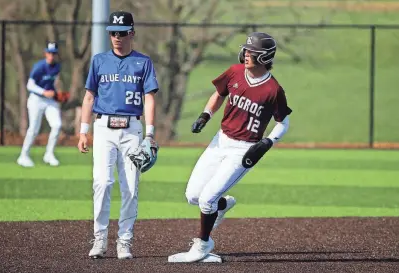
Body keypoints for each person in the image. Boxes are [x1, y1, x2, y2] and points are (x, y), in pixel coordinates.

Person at [173, 32, 292, 262]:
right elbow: (219, 94)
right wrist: (205, 115)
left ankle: (203, 245)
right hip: (220, 141)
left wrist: (267, 142)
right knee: (193, 196)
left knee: (207, 199)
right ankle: (223, 205)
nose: (247, 55)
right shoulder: (235, 72)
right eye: (246, 50)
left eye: (252, 52)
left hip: (243, 150)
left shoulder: (273, 89)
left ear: (265, 57)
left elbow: (283, 122)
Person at [77, 11, 159, 260]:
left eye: (121, 33)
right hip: (103, 129)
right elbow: (89, 97)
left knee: (130, 188)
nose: (116, 37)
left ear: (131, 33)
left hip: (132, 130)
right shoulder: (99, 61)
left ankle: (124, 241)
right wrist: (83, 131)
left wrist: (150, 134)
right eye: (113, 32)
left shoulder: (143, 62)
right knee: (102, 182)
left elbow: (149, 98)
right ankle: (100, 238)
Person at [17, 42, 63, 167]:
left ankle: (49, 154)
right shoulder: (39, 66)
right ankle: (23, 155)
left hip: (49, 101)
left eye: (54, 53)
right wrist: (44, 92)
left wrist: (57, 94)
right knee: (34, 129)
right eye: (49, 53)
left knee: (57, 125)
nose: (51, 55)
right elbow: (29, 85)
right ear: (45, 53)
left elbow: (54, 82)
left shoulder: (57, 66)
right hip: (36, 100)